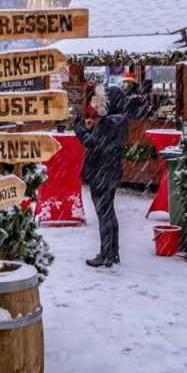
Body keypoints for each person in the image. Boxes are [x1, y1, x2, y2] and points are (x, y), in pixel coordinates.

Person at [73, 86, 129, 268]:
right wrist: (94, 127)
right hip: (111, 171)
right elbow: (102, 142)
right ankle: (113, 253)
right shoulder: (120, 120)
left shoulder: (108, 123)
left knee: (103, 214)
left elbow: (92, 143)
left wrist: (80, 128)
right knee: (109, 213)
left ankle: (105, 255)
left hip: (101, 172)